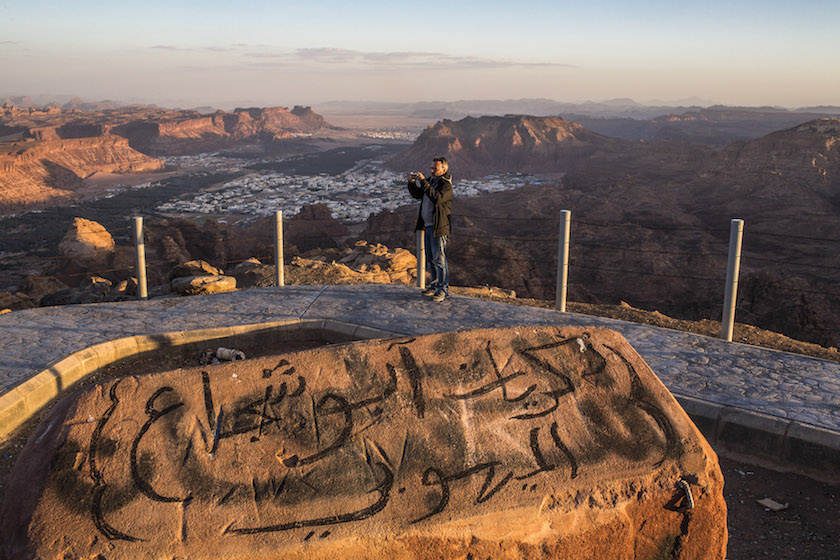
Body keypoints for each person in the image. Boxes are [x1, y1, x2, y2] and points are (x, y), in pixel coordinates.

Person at [408, 156, 453, 302]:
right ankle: (434, 285)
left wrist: (424, 182)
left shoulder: (446, 185)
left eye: (435, 168)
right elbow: (419, 195)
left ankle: (443, 289)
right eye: (432, 168)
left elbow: (437, 199)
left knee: (439, 259)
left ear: (444, 169)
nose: (432, 170)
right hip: (427, 226)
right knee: (431, 259)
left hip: (438, 227)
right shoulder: (431, 181)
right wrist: (412, 183)